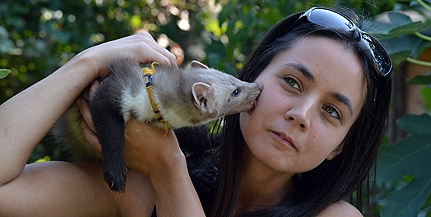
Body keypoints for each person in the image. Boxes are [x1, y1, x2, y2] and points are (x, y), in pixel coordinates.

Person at [0, 6, 392, 217]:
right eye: (292, 82)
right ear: (252, 80)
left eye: (332, 112)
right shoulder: (137, 188)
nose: (301, 114)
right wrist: (85, 64)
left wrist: (168, 168)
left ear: (340, 146)